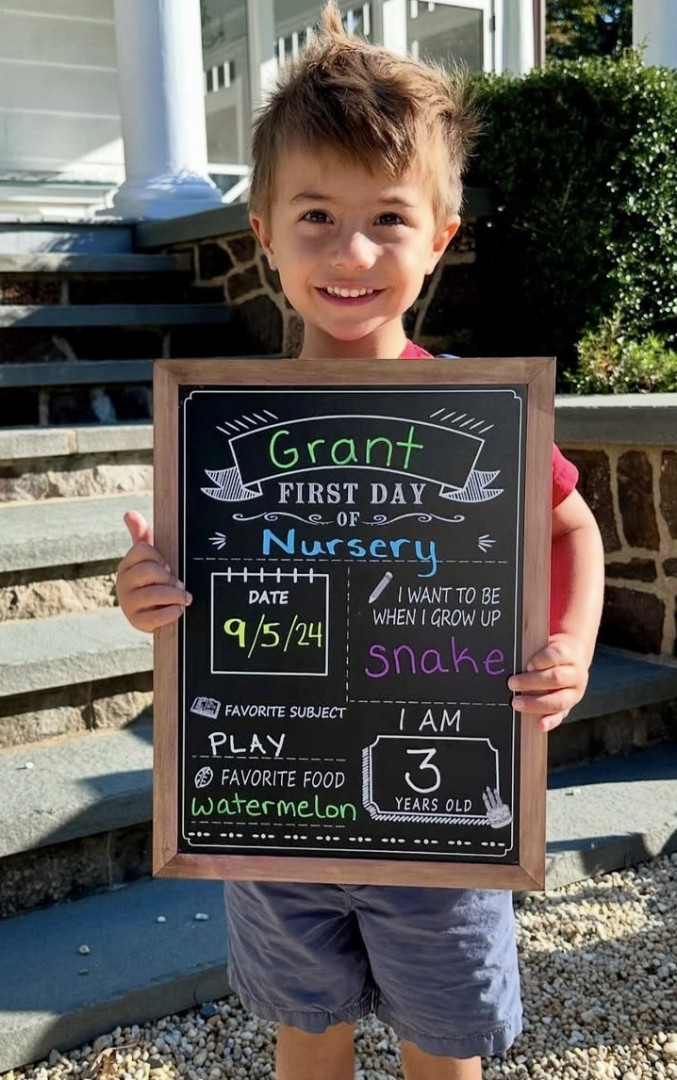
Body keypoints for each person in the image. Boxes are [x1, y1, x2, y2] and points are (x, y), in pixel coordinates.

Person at [116, 4, 605, 1078]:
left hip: (443, 818)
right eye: (315, 216)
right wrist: (144, 589)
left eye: (388, 217)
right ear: (262, 231)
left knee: (444, 1040)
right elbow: (184, 580)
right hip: (274, 811)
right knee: (306, 1028)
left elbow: (571, 526)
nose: (351, 251)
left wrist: (568, 646)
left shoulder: (482, 417)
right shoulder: (220, 423)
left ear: (440, 236)